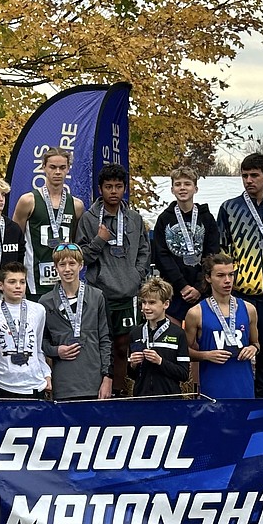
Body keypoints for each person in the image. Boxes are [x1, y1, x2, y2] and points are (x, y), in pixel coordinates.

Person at [216, 152, 263, 398]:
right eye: (244, 176)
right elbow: (223, 247)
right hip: (242, 294)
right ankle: (239, 398)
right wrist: (235, 277)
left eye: (254, 175)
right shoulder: (229, 208)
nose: (249, 180)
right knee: (239, 348)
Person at [75, 163, 149, 395]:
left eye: (118, 186)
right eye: (109, 187)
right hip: (101, 293)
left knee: (124, 346)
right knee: (102, 347)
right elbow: (81, 257)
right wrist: (99, 240)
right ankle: (102, 392)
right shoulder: (89, 219)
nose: (114, 191)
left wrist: (136, 275)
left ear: (125, 188)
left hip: (129, 293)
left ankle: (122, 392)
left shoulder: (135, 218)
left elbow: (145, 251)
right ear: (100, 189)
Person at [39, 243, 112, 400]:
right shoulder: (45, 302)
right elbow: (40, 343)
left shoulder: (97, 296)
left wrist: (107, 376)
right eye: (62, 264)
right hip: (63, 384)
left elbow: (106, 339)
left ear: (81, 265)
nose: (67, 269)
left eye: (72, 263)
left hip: (93, 382)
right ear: (55, 267)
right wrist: (56, 351)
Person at [11, 148, 85, 299]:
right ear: (44, 167)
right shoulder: (28, 201)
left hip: (65, 278)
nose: (57, 172)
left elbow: (76, 240)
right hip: (34, 279)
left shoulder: (76, 205)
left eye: (62, 167)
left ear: (68, 169)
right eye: (53, 167)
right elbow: (15, 239)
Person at [184, 253, 259, 399]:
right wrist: (205, 355)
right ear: (208, 278)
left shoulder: (249, 309)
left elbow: (256, 343)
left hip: (244, 387)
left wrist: (252, 349)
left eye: (231, 275)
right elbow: (184, 352)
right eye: (220, 275)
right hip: (213, 388)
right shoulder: (196, 313)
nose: (227, 281)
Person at [152, 166, 220, 323]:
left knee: (199, 339)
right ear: (172, 189)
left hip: (202, 290)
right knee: (175, 339)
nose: (182, 188)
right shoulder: (164, 219)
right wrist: (182, 286)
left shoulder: (207, 218)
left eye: (187, 184)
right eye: (178, 184)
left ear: (195, 188)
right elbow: (162, 256)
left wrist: (198, 286)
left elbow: (212, 254)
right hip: (174, 291)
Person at [0, 262, 52, 398]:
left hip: (33, 384)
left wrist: (46, 374)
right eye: (12, 282)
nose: (18, 286)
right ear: (0, 285)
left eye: (22, 282)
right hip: (1, 383)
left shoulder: (38, 310)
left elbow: (38, 349)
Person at [128, 277, 190, 397]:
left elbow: (184, 374)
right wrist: (133, 365)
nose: (146, 307)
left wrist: (160, 361)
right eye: (144, 303)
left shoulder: (178, 333)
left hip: (170, 400)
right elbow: (131, 375)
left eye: (152, 303)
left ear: (166, 304)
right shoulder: (135, 333)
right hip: (141, 399)